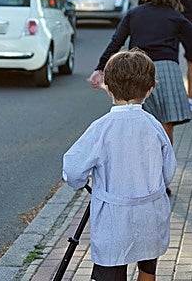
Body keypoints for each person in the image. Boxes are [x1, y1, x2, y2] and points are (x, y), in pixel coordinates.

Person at [63, 49, 177, 281]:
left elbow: (73, 169)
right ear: (150, 89)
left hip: (114, 216)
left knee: (111, 268)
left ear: (109, 88)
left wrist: (81, 182)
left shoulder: (101, 128)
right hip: (150, 210)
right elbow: (169, 170)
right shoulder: (154, 126)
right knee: (148, 264)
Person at [88, 0, 192, 146]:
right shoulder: (175, 17)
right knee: (166, 123)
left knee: (137, 120)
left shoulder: (134, 13)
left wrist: (100, 68)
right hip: (167, 70)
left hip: (137, 68)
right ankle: (164, 164)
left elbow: (116, 41)